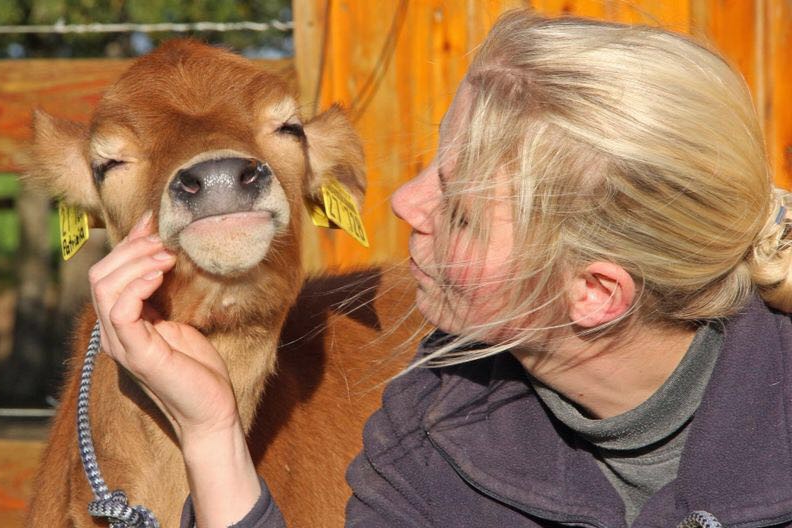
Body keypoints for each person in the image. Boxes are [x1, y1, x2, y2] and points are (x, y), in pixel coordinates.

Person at [88, 8, 792, 528]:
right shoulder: (436, 426)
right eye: (433, 167)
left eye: (459, 212)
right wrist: (211, 432)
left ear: (596, 293)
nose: (400, 203)